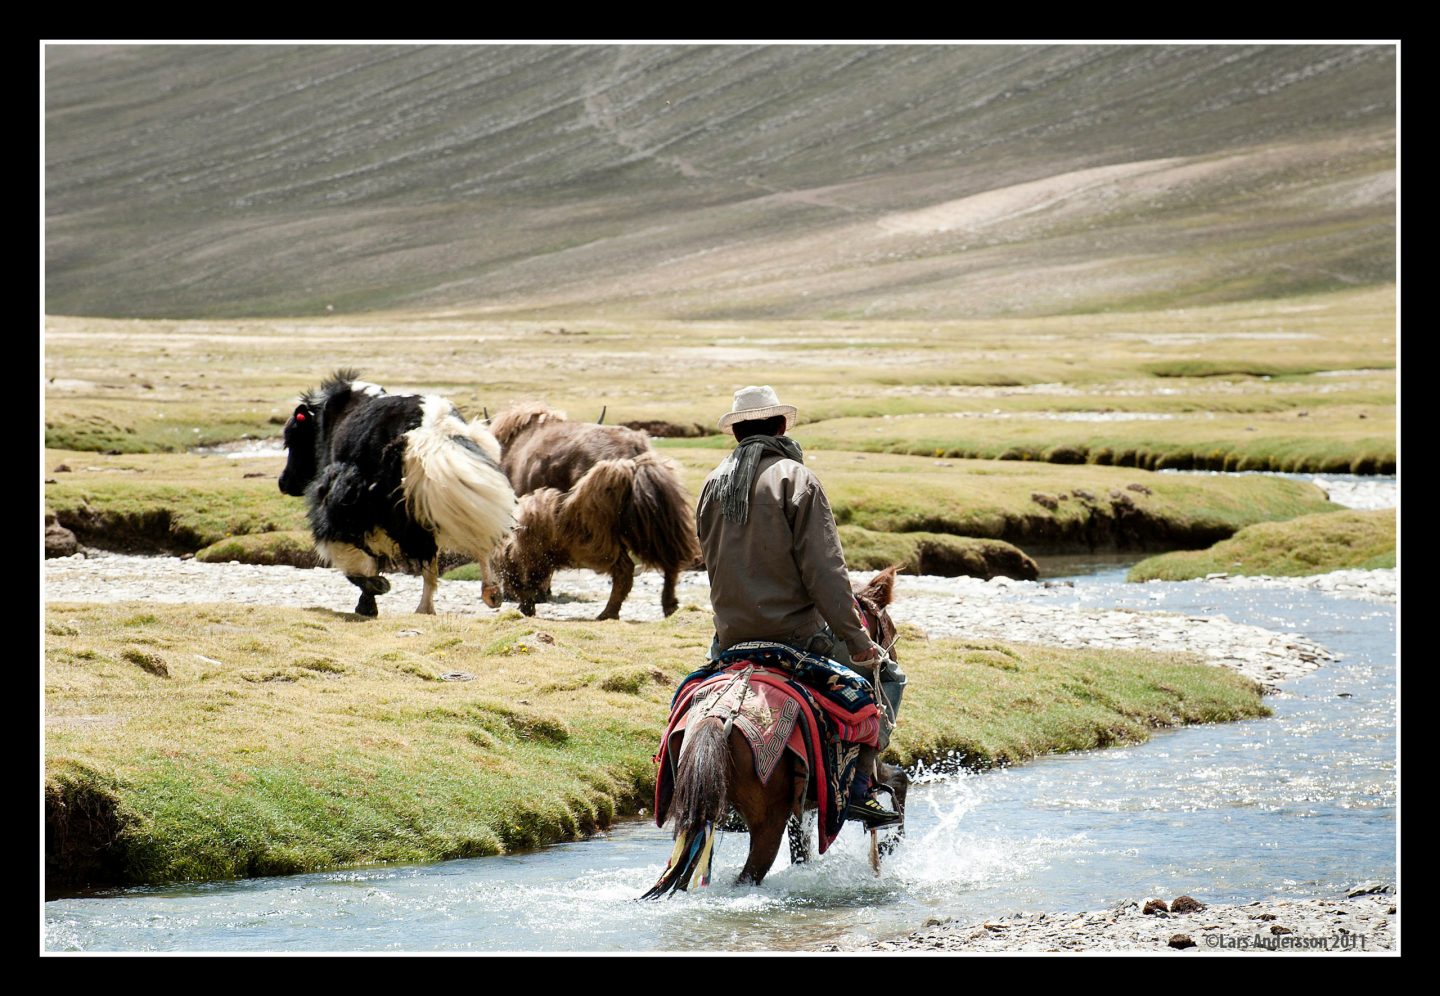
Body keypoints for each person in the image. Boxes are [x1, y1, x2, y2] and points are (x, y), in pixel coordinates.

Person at [695, 385, 907, 827]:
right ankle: (861, 788)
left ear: (736, 432)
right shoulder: (797, 479)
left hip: (730, 639)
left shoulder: (712, 484)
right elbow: (825, 573)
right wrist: (858, 639)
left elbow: (714, 566)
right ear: (781, 425)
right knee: (883, 682)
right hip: (795, 638)